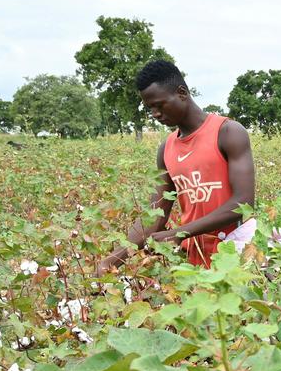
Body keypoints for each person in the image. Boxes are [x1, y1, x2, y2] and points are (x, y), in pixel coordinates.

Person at [98, 60, 255, 273]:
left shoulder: (227, 132)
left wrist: (178, 233)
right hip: (194, 261)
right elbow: (155, 215)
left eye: (159, 105)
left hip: (235, 254)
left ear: (181, 92)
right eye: (150, 108)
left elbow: (242, 203)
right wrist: (112, 259)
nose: (155, 114)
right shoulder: (166, 149)